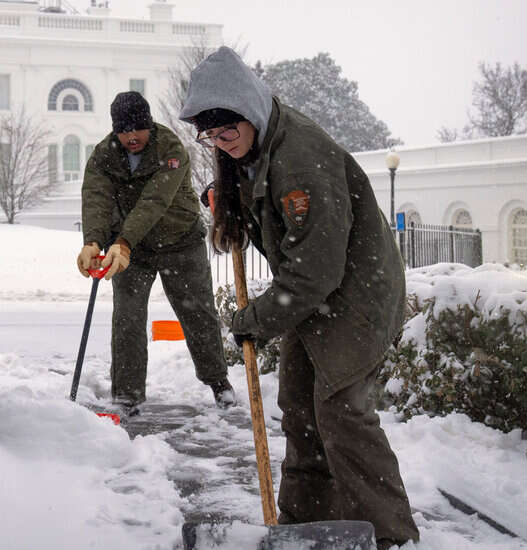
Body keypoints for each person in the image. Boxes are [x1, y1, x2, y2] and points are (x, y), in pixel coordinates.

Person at [179, 46, 419, 549]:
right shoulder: (257, 144)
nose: (221, 143)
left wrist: (254, 320)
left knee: (341, 412)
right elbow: (268, 217)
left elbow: (315, 274)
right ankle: (304, 527)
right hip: (315, 295)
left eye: (227, 131)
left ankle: (393, 538)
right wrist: (225, 200)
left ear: (248, 112)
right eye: (211, 135)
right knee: (299, 407)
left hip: (355, 297)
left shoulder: (300, 162)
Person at [76, 90, 235, 413]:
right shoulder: (104, 155)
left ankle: (219, 382)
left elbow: (155, 201)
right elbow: (96, 197)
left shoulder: (171, 148)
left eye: (138, 129)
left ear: (149, 124)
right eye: (123, 130)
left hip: (180, 241)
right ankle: (127, 394)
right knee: (127, 318)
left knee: (198, 314)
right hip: (132, 251)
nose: (131, 137)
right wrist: (93, 241)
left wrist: (122, 241)